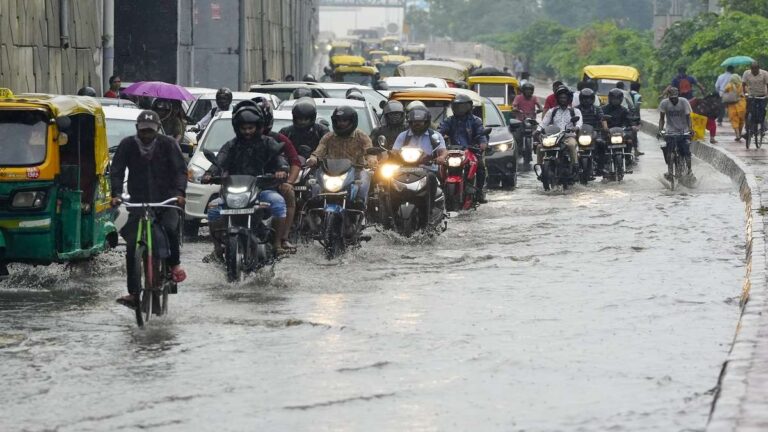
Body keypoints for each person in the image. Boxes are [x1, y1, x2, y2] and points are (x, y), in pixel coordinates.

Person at [110, 110, 187, 309]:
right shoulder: (128, 145)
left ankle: (173, 266)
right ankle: (134, 294)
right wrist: (116, 194)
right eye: (143, 131)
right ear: (137, 129)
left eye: (150, 131)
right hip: (140, 201)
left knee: (169, 229)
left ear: (157, 130)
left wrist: (179, 194)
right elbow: (117, 170)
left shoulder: (169, 144)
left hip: (166, 201)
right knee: (132, 247)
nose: (147, 135)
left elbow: (180, 171)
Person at [204, 102, 292, 257]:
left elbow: (280, 160)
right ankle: (217, 248)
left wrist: (282, 170)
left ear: (258, 126)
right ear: (237, 128)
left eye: (250, 128)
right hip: (233, 191)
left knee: (278, 203)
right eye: (243, 128)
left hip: (262, 189)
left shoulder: (268, 143)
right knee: (213, 209)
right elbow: (220, 161)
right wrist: (209, 174)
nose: (247, 131)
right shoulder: (231, 145)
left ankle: (278, 244)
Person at [253, 97, 302, 253]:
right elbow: (225, 159)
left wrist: (289, 181)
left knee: (288, 193)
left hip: (272, 185)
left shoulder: (278, 140)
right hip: (245, 186)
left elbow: (294, 162)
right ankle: (220, 245)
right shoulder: (237, 142)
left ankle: (282, 239)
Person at [306, 106, 375, 208]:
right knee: (315, 181)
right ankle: (316, 202)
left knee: (365, 177)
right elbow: (319, 151)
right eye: (338, 121)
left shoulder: (361, 136)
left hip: (356, 170)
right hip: (331, 172)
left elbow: (369, 150)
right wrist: (313, 158)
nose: (341, 123)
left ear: (352, 121)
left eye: (344, 121)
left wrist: (371, 159)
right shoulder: (328, 137)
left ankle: (359, 204)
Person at [438, 94, 489, 203]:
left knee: (480, 166)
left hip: (471, 151)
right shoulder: (449, 120)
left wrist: (482, 143)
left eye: (462, 106)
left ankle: (479, 192)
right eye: (456, 106)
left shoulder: (476, 121)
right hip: (452, 151)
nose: (459, 109)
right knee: (439, 165)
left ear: (469, 106)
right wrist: (436, 139)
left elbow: (481, 134)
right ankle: (439, 189)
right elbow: (439, 132)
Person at [392, 107, 448, 199]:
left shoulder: (435, 135)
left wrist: (441, 157)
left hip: (428, 169)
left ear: (426, 122)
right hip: (404, 170)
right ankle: (391, 211)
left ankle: (431, 207)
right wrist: (388, 155)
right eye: (414, 122)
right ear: (410, 122)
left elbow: (443, 151)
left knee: (431, 178)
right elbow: (394, 151)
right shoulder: (403, 136)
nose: (417, 124)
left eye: (420, 122)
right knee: (388, 180)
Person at [536, 85, 581, 171]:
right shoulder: (552, 111)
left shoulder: (575, 111)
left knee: (571, 145)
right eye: (561, 98)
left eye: (564, 98)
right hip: (553, 137)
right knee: (539, 147)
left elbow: (579, 123)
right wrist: (538, 130)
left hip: (568, 136)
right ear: (558, 99)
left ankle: (575, 166)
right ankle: (541, 167)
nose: (563, 100)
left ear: (568, 99)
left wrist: (576, 127)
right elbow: (544, 123)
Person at [658, 87, 693, 175]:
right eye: (671, 98)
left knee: (686, 151)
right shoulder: (664, 103)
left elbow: (688, 117)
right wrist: (660, 130)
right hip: (670, 131)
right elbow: (662, 119)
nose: (673, 100)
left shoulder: (684, 102)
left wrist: (690, 129)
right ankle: (670, 171)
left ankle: (689, 170)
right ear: (668, 97)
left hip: (683, 130)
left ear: (678, 96)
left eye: (675, 98)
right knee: (668, 150)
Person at [575, 88, 608, 173]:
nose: (586, 100)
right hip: (579, 133)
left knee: (601, 143)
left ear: (592, 99)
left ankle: (601, 167)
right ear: (581, 99)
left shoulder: (597, 109)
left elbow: (602, 118)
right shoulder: (576, 109)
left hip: (594, 132)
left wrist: (605, 127)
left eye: (589, 98)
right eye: (584, 98)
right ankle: (571, 165)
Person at [602, 88, 642, 157]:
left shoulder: (624, 110)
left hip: (621, 131)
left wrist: (633, 125)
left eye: (617, 99)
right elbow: (600, 119)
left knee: (629, 139)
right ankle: (601, 159)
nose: (615, 101)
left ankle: (629, 154)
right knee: (600, 142)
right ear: (610, 99)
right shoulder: (603, 109)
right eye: (614, 99)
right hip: (607, 132)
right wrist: (604, 127)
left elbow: (630, 120)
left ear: (620, 99)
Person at [742, 60, 768, 136]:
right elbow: (743, 84)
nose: (754, 70)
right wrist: (744, 94)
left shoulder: (765, 74)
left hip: (762, 95)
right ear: (750, 68)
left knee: (762, 112)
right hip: (751, 95)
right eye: (752, 69)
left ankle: (763, 127)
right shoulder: (746, 73)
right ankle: (748, 130)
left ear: (758, 68)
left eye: (755, 69)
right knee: (748, 112)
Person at [724, 73, 747, 142]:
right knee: (741, 120)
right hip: (741, 104)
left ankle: (737, 135)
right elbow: (747, 92)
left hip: (732, 105)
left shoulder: (729, 85)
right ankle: (739, 133)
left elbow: (725, 94)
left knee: (734, 120)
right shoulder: (742, 85)